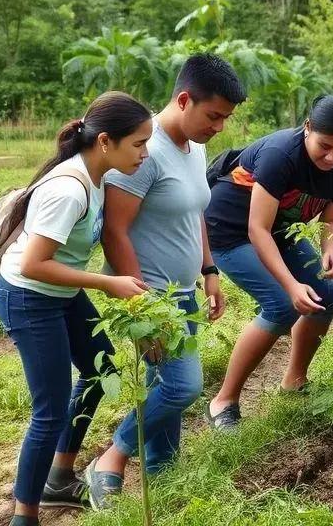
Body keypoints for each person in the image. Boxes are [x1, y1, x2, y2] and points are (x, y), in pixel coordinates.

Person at [85, 54, 246, 508]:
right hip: (151, 295)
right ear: (184, 99)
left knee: (164, 385)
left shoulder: (195, 148)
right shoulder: (144, 151)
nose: (219, 127)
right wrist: (142, 307)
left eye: (226, 118)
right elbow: (114, 233)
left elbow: (195, 214)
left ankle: (162, 475)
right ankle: (111, 458)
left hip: (184, 290)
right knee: (182, 386)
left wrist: (209, 271)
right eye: (213, 115)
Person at [0, 92, 152, 526]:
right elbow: (33, 264)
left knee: (101, 373)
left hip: (60, 294)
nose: (144, 153)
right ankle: (24, 515)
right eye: (138, 144)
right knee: (50, 410)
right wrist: (107, 282)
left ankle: (59, 477)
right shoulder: (68, 189)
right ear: (105, 142)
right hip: (29, 297)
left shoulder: (98, 175)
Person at [204, 94, 333, 431]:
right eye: (325, 146)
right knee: (281, 304)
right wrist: (291, 285)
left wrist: (331, 249)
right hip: (229, 230)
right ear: (307, 128)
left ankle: (294, 381)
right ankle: (223, 402)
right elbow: (257, 229)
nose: (332, 158)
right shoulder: (281, 154)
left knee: (327, 293)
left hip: (279, 230)